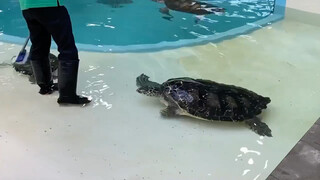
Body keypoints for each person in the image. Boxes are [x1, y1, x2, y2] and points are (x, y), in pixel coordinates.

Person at [18, 0, 91, 105]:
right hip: (50, 5)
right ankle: (67, 96)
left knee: (39, 45)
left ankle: (45, 87)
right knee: (67, 47)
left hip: (27, 7)